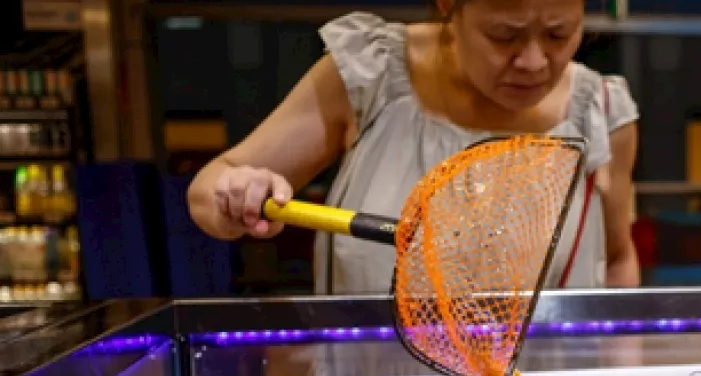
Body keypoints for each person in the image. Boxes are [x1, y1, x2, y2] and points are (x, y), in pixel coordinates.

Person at [187, 0, 641, 294]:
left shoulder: (598, 112)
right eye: (505, 36)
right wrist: (239, 194)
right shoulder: (373, 75)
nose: (534, 61)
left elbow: (618, 263)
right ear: (450, 7)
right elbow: (207, 192)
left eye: (560, 35)